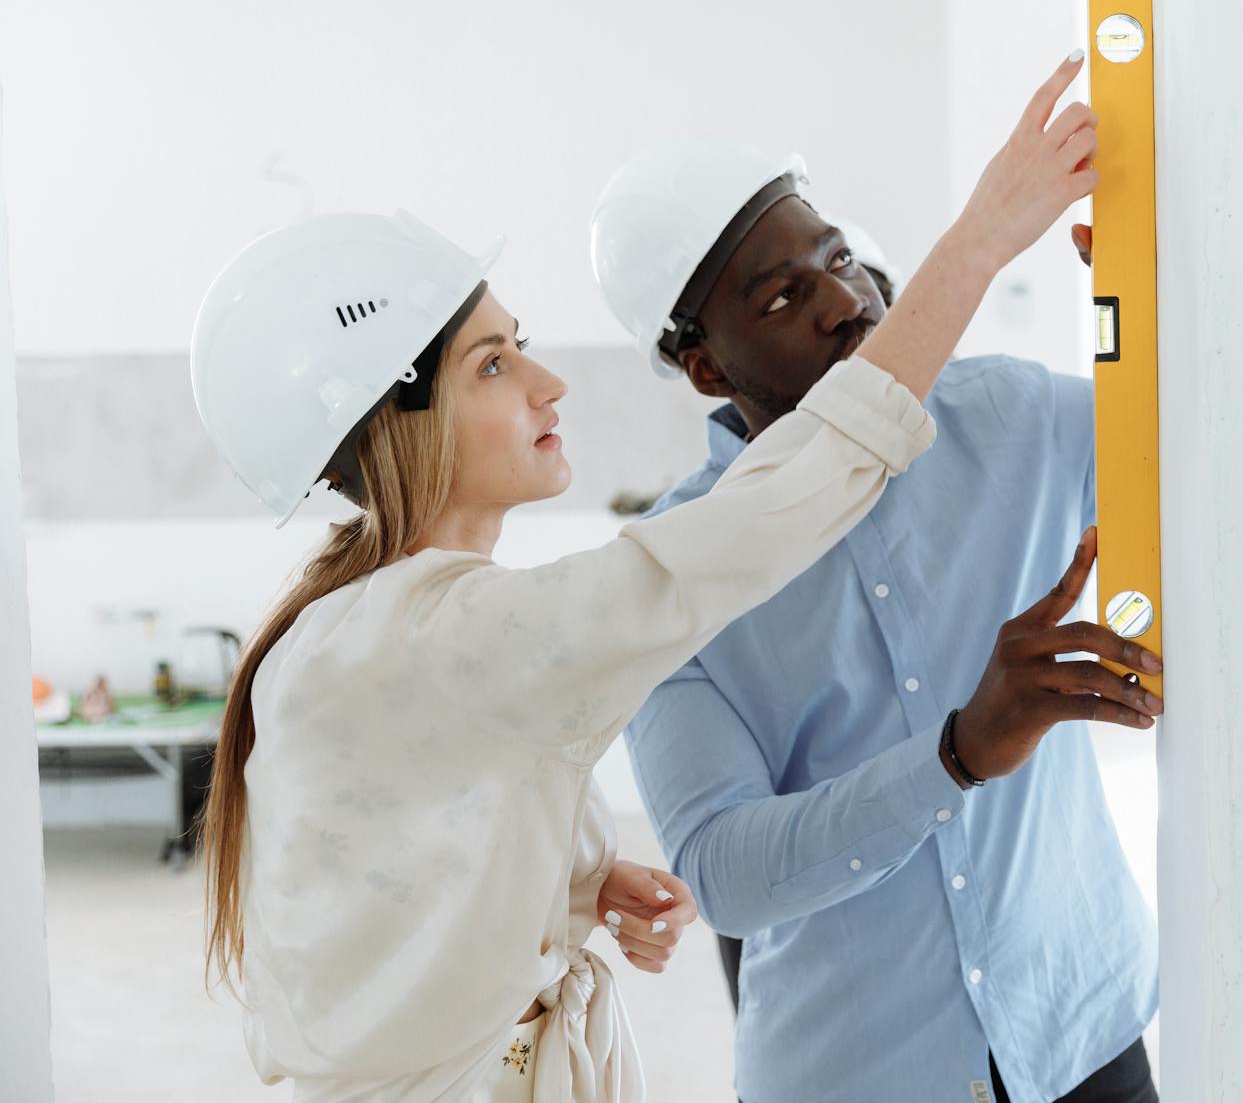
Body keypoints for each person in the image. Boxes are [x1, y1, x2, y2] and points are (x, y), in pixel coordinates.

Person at [188, 53, 1105, 1100]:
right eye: (492, 364)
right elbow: (761, 519)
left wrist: (564, 886)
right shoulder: (437, 631)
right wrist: (985, 233)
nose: (549, 379)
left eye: (519, 344)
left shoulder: (376, 628)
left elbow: (370, 872)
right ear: (396, 424)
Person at [593, 129, 1162, 1101]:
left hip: (1084, 1031)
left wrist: (1151, 307)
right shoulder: (668, 574)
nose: (847, 306)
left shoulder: (1010, 415)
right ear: (707, 368)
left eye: (840, 261)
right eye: (782, 297)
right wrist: (958, 751)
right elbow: (725, 869)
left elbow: (1188, 452)